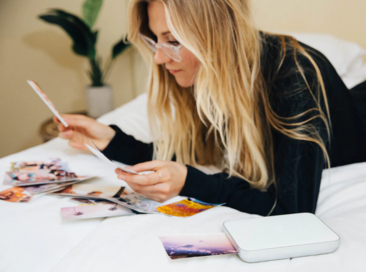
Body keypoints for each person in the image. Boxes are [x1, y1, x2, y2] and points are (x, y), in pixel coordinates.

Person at [55, 0, 366, 216]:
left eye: (173, 41)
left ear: (213, 37)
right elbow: (197, 155)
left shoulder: (293, 72)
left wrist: (190, 181)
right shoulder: (213, 77)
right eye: (156, 42)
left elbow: (291, 207)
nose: (160, 59)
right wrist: (111, 141)